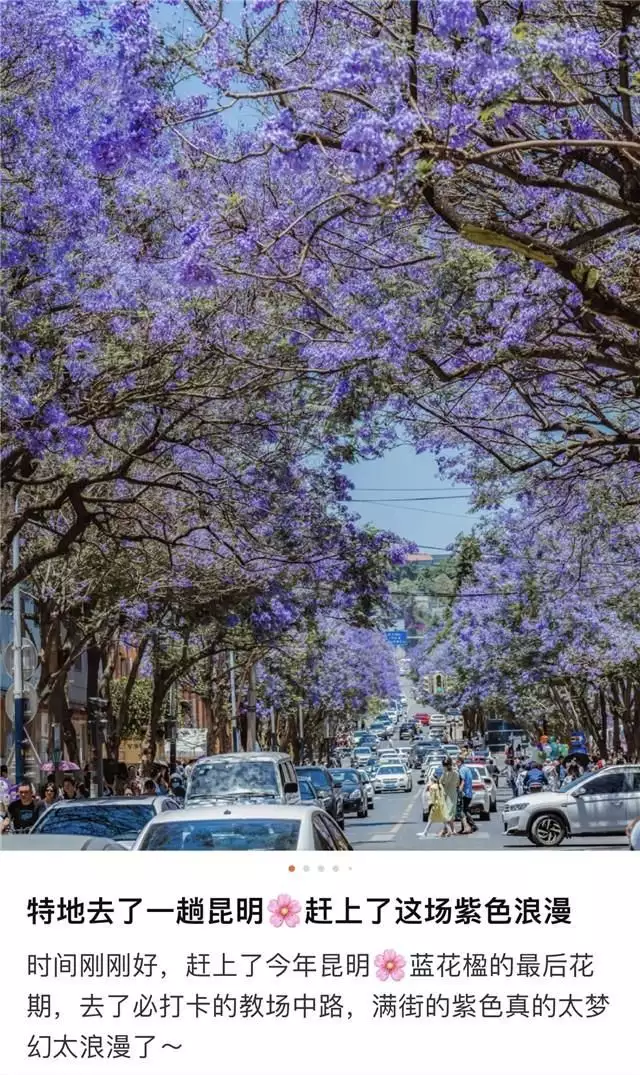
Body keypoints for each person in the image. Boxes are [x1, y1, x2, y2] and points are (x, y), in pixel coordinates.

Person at [417, 773, 445, 838]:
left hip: (436, 804)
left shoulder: (432, 787)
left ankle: (425, 832)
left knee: (434, 818)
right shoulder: (440, 785)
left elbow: (433, 797)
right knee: (438, 819)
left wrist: (431, 803)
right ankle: (425, 832)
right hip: (440, 803)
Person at [438, 757, 459, 838]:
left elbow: (441, 782)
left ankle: (448, 830)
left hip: (447, 794)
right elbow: (457, 783)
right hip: (453, 793)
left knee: (446, 813)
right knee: (451, 812)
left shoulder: (446, 773)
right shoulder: (456, 772)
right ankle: (452, 829)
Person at [457, 756, 478, 834]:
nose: (456, 764)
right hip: (469, 792)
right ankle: (464, 827)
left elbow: (462, 781)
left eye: (457, 762)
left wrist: (460, 791)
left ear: (460, 762)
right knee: (464, 810)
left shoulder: (462, 769)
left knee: (463, 811)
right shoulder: (467, 769)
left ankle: (472, 825)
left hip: (465, 793)